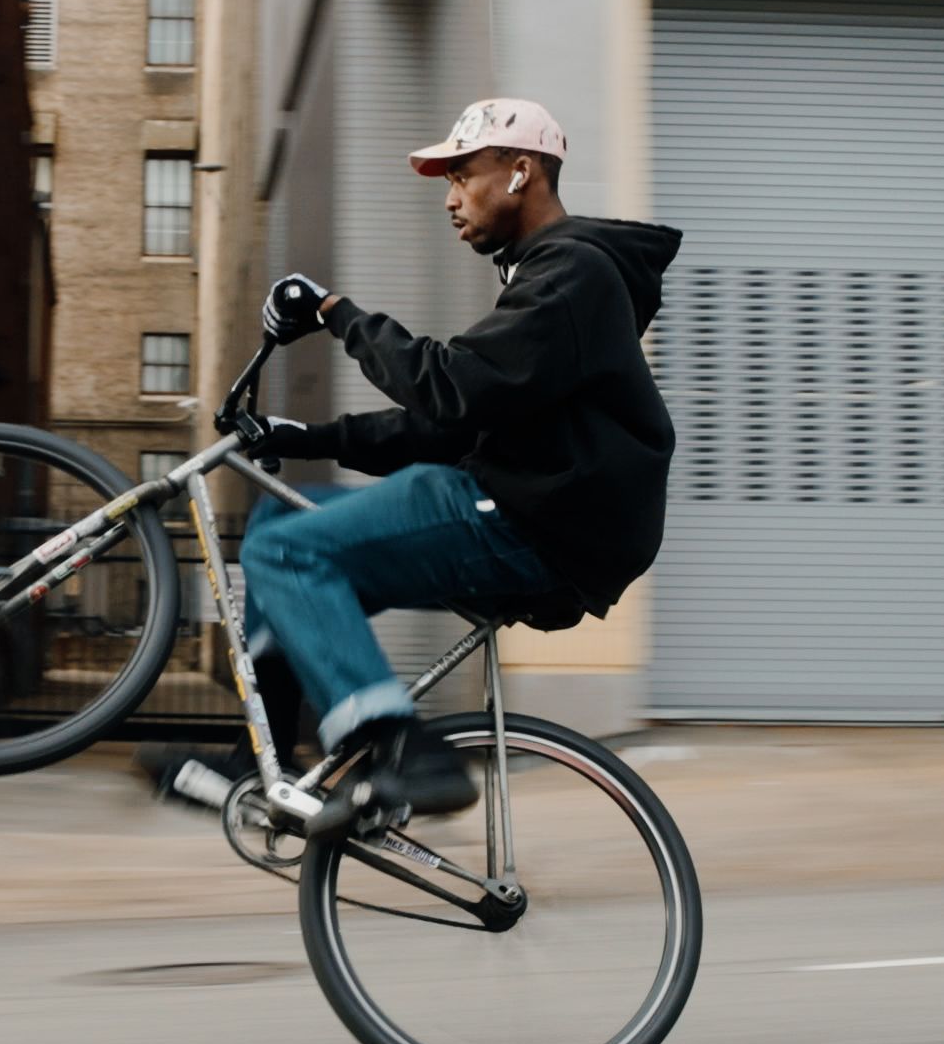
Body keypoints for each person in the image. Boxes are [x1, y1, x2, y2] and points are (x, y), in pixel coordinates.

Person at [235, 97, 682, 837]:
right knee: (283, 512)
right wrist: (308, 437)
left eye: (461, 175)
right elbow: (449, 423)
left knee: (284, 550)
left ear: (520, 172)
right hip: (522, 508)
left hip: (536, 524)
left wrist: (334, 312)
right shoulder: (547, 278)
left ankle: (403, 750)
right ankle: (273, 763)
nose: (450, 198)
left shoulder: (572, 274)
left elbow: (445, 387)